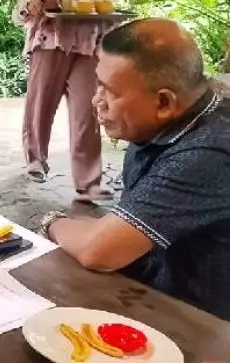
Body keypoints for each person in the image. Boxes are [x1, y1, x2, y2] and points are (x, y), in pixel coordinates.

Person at [38, 18, 230, 320]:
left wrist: (50, 221)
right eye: (98, 84)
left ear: (164, 102)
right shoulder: (166, 120)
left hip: (200, 324)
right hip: (153, 291)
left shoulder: (208, 152)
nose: (96, 101)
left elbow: (99, 251)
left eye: (109, 91)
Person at [15, 0, 111, 201]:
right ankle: (35, 159)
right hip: (51, 43)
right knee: (41, 104)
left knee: (87, 112)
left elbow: (104, 10)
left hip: (86, 47)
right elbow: (25, 2)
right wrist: (31, 4)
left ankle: (89, 183)